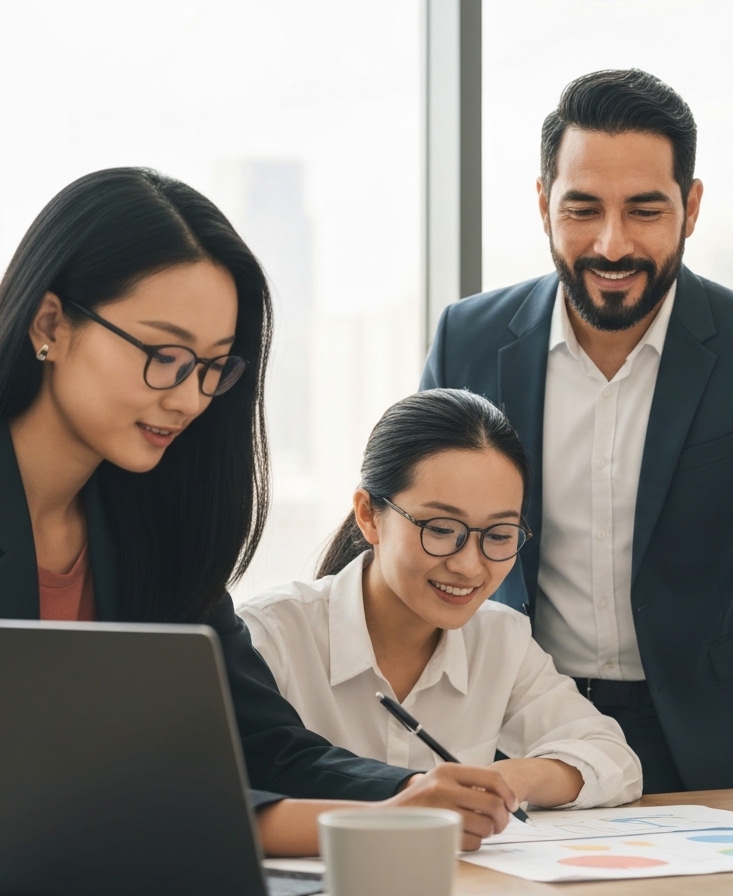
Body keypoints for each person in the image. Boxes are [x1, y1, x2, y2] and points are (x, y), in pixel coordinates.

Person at [0, 168, 527, 857]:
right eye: (165, 356)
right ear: (50, 325)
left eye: (212, 367)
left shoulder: (157, 535)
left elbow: (265, 746)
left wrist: (415, 793)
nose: (190, 399)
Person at [420, 68, 733, 821]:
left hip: (708, 741)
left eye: (644, 210)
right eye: (583, 210)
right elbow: (414, 533)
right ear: (544, 205)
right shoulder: (469, 340)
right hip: (518, 729)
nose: (613, 244)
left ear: (691, 208)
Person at [240, 389, 643, 847]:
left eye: (498, 534)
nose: (469, 566)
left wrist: (508, 779)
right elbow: (221, 797)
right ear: (369, 516)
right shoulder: (270, 635)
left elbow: (614, 758)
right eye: (441, 529)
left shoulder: (500, 637)